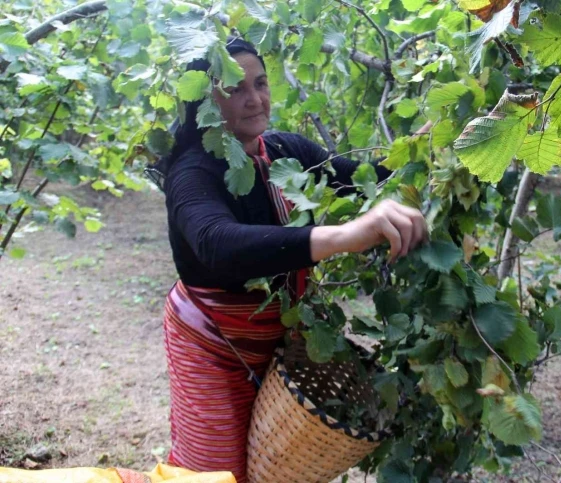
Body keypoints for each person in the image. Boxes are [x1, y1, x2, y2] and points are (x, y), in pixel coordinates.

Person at [146, 38, 428, 482]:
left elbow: (365, 181)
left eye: (260, 83)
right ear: (204, 97)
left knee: (272, 465)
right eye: (236, 89)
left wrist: (426, 154)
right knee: (214, 469)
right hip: (211, 341)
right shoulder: (192, 170)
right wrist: (344, 236)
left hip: (278, 336)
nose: (255, 98)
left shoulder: (285, 152)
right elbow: (219, 244)